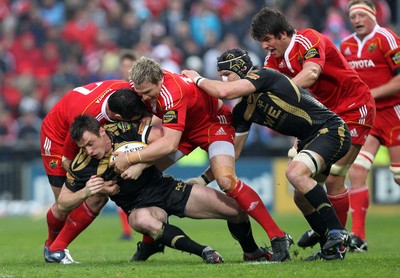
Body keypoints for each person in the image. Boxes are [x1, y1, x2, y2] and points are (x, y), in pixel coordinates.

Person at [112, 56, 294, 262]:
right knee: (148, 176)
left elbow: (169, 145)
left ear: (160, 81)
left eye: (147, 93)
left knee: (226, 181)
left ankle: (278, 236)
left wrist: (132, 159)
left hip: (214, 125)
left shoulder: (173, 93)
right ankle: (149, 243)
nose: (144, 98)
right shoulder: (146, 90)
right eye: (140, 93)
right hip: (185, 130)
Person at [182, 48, 352, 260]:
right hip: (310, 140)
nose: (224, 80)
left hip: (331, 129)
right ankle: (331, 246)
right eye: (221, 76)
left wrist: (197, 79)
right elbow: (233, 153)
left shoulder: (265, 75)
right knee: (301, 196)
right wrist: (203, 179)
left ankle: (338, 232)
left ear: (242, 69)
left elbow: (225, 92)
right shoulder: (242, 110)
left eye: (227, 74)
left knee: (296, 174)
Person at [50, 114, 274, 264]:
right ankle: (204, 251)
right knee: (141, 222)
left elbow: (162, 141)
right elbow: (63, 203)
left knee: (236, 210)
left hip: (166, 188)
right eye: (82, 147)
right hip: (138, 206)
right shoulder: (83, 164)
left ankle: (252, 251)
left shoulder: (123, 130)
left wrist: (138, 163)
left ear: (101, 132)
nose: (89, 151)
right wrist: (88, 191)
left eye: (90, 144)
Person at [250, 7, 375, 256]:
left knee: (334, 176)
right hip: (325, 116)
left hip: (354, 106)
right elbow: (266, 89)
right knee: (301, 193)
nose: (264, 46)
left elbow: (311, 73)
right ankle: (325, 235)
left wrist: (280, 89)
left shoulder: (308, 39)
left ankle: (337, 240)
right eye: (261, 41)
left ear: (283, 33)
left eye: (267, 39)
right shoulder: (272, 61)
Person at [41, 80, 148, 264]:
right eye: (132, 120)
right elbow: (68, 161)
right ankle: (52, 246)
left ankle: (55, 249)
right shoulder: (87, 119)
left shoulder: (126, 93)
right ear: (117, 115)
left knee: (101, 194)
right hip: (57, 138)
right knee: (66, 204)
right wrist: (99, 186)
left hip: (86, 129)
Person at [340, 0, 400, 252]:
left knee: (398, 176)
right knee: (356, 171)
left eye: (361, 14)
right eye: (352, 16)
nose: (356, 20)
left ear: (373, 16)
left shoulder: (387, 39)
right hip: (370, 117)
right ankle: (358, 238)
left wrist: (370, 94)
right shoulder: (346, 46)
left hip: (395, 113)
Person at [116, 50, 137, 240]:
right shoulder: (115, 90)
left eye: (130, 66)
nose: (126, 70)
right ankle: (126, 230)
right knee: (119, 185)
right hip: (120, 143)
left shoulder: (140, 90)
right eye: (124, 66)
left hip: (139, 143)